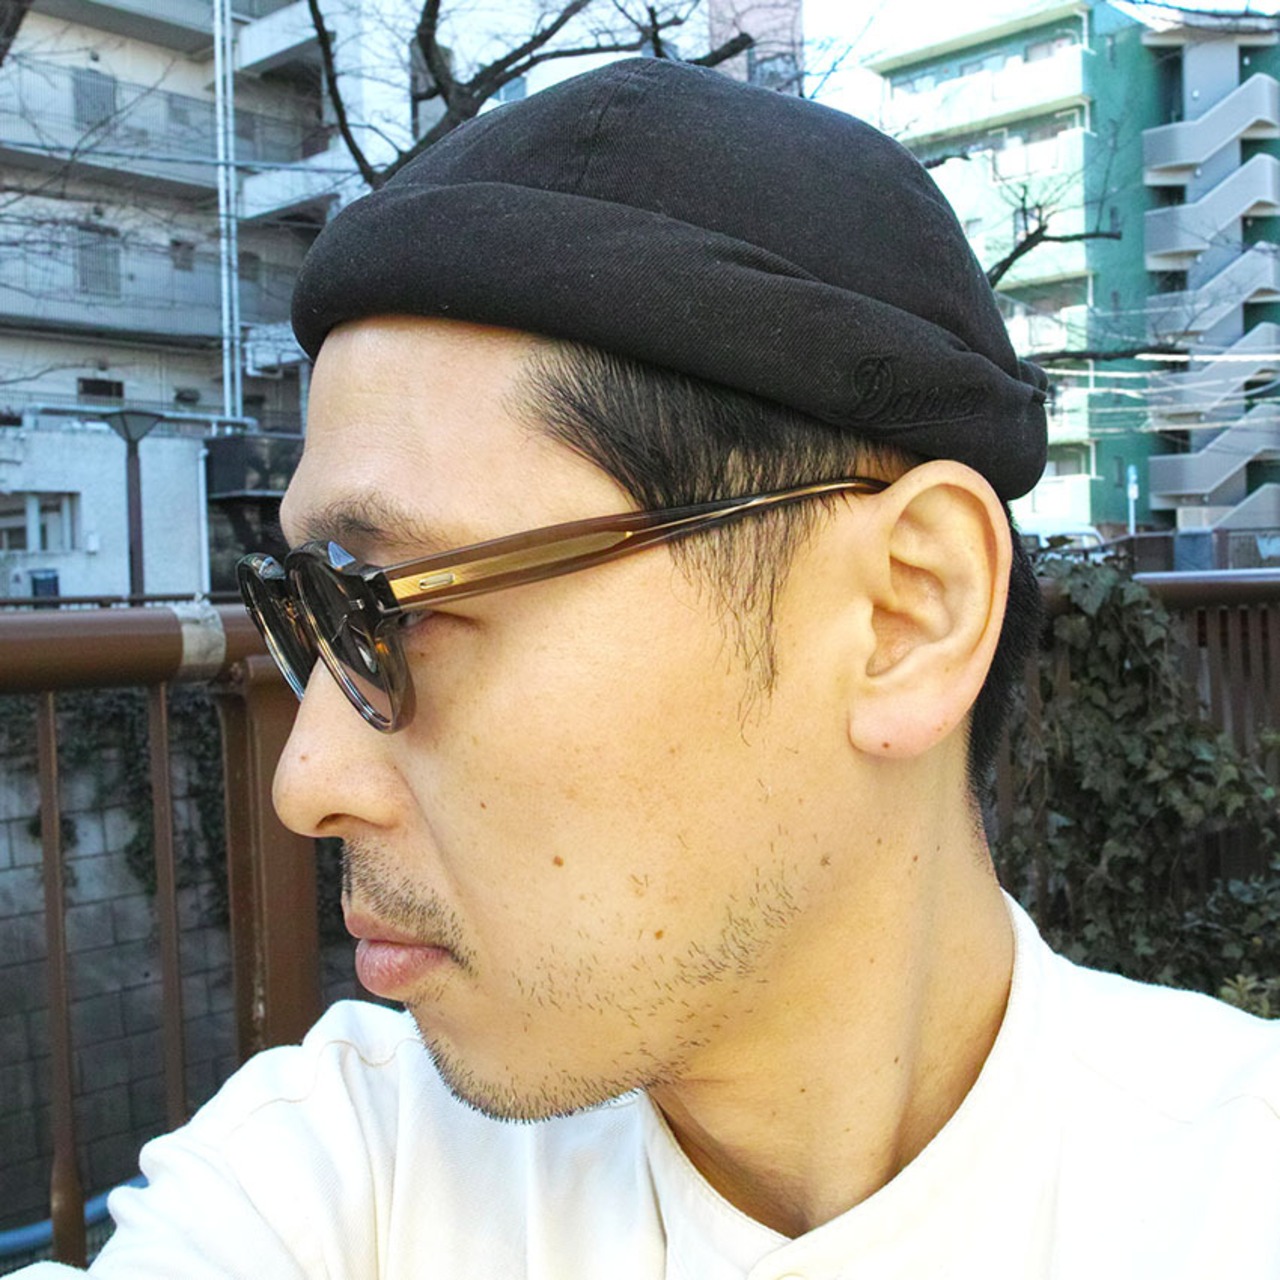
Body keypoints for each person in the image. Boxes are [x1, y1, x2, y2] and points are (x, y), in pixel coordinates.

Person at [25, 57, 1280, 1279]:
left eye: (411, 608)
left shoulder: (1234, 1193)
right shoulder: (346, 1178)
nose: (307, 781)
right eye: (321, 617)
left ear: (905, 613)